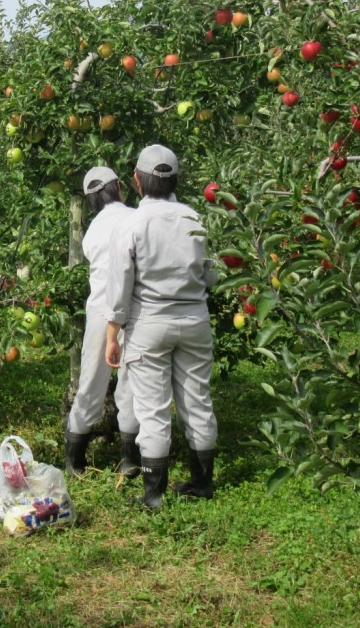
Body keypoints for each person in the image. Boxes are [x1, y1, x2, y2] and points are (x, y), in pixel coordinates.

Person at [104, 145, 219, 509]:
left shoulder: (132, 224)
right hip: (194, 319)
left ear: (137, 181)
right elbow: (212, 275)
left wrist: (113, 333)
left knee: (152, 407)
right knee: (197, 400)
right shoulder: (194, 219)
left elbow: (120, 283)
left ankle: (154, 494)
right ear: (175, 181)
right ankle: (201, 482)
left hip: (149, 323)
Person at [65, 165, 139, 478]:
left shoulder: (92, 231)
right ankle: (130, 458)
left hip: (99, 312)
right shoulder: (136, 218)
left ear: (92, 200)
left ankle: (75, 460)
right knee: (130, 385)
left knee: (90, 384)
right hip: (134, 310)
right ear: (119, 186)